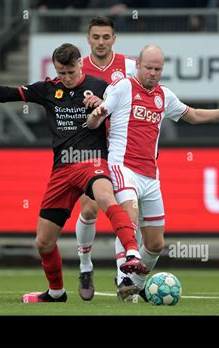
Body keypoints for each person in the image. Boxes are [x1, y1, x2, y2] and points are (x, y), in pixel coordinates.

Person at [0, 43, 146, 303]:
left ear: (80, 64)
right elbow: (7, 93)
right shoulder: (48, 89)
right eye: (62, 73)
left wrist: (103, 104)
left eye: (71, 72)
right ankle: (56, 292)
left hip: (91, 160)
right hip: (62, 170)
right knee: (43, 242)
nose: (67, 78)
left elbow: (123, 112)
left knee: (106, 199)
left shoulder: (101, 87)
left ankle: (132, 253)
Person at [87, 44, 219, 301]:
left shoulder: (164, 96)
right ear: (138, 66)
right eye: (148, 68)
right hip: (122, 166)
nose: (153, 73)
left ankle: (136, 283)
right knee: (128, 217)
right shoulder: (122, 87)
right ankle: (123, 277)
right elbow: (98, 117)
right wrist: (96, 115)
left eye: (158, 69)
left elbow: (195, 115)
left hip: (150, 175)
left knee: (155, 244)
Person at [76, 16, 139, 301]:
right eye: (96, 37)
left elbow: (144, 98)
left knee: (126, 211)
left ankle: (122, 276)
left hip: (123, 147)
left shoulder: (130, 67)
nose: (101, 42)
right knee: (89, 209)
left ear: (114, 39)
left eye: (106, 37)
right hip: (91, 146)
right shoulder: (77, 68)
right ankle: (85, 265)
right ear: (88, 39)